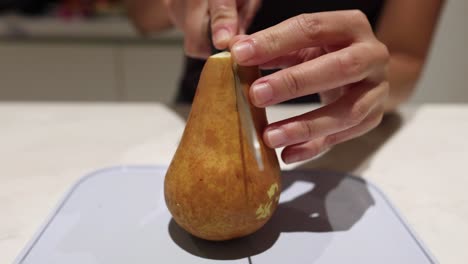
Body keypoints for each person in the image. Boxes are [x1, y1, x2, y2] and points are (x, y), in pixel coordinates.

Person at [126, 0, 444, 164]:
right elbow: (142, 16)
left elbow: (405, 60)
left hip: (334, 130)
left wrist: (366, 81)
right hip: (195, 108)